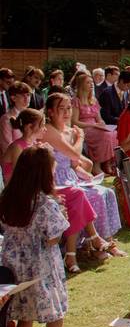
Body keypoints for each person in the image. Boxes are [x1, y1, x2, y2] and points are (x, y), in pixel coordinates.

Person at [0, 146, 74, 327]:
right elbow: (52, 238)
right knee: (56, 313)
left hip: (15, 270)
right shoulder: (44, 203)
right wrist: (62, 212)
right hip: (42, 269)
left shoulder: (8, 199)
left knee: (24, 317)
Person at [2, 111, 101, 274]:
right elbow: (24, 182)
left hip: (34, 193)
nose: (45, 130)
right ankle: (81, 247)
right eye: (41, 125)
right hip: (21, 197)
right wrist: (51, 194)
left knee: (76, 195)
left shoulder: (35, 146)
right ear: (28, 127)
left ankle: (75, 251)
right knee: (72, 198)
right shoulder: (18, 148)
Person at [41, 93, 125, 255]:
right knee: (94, 197)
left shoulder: (70, 131)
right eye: (61, 109)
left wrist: (88, 176)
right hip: (55, 179)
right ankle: (93, 243)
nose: (66, 112)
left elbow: (73, 164)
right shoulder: (50, 131)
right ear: (50, 112)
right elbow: (74, 154)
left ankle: (107, 241)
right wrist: (80, 137)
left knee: (106, 192)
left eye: (69, 108)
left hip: (71, 177)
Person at [71, 72, 119, 174]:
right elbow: (74, 121)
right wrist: (93, 125)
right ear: (82, 85)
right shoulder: (76, 101)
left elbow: (99, 118)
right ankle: (97, 165)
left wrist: (101, 123)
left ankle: (107, 162)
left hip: (95, 126)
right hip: (83, 127)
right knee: (104, 136)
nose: (91, 84)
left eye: (92, 82)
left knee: (114, 134)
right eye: (88, 82)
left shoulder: (93, 100)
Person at [0, 82, 32, 154]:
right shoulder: (6, 119)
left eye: (28, 95)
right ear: (13, 98)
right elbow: (6, 146)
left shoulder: (32, 116)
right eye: (22, 95)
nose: (26, 98)